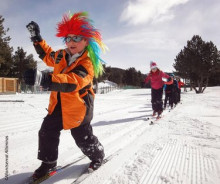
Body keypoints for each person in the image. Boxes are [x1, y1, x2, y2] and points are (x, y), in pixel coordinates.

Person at [24, 11, 106, 181]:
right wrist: (36, 38)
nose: (71, 42)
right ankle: (48, 163)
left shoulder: (87, 63)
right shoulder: (61, 55)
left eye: (76, 38)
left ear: (86, 41)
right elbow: (47, 55)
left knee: (82, 137)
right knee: (46, 131)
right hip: (58, 104)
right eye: (68, 38)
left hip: (79, 107)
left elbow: (73, 81)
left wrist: (46, 78)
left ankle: (97, 156)